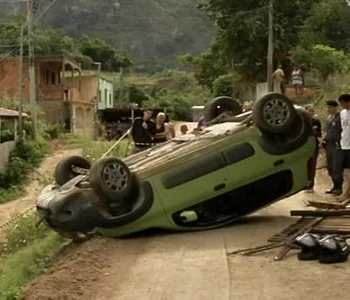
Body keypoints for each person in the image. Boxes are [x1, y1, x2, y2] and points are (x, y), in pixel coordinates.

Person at [322, 100, 343, 195]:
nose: (329, 109)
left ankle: (339, 187)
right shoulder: (329, 118)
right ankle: (334, 185)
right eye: (328, 107)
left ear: (335, 107)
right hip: (328, 145)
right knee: (330, 166)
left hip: (337, 145)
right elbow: (326, 131)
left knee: (336, 166)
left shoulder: (340, 118)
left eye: (330, 107)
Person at [336, 94, 350, 202]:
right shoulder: (342, 113)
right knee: (346, 171)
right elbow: (342, 129)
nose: (341, 105)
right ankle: (346, 192)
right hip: (344, 145)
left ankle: (346, 193)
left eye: (342, 103)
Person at [305, 104, 322, 193]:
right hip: (304, 146)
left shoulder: (316, 121)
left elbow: (320, 134)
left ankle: (311, 185)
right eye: (309, 110)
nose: (311, 112)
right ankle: (304, 184)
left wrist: (315, 132)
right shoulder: (302, 121)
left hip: (313, 145)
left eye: (312, 110)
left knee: (312, 165)